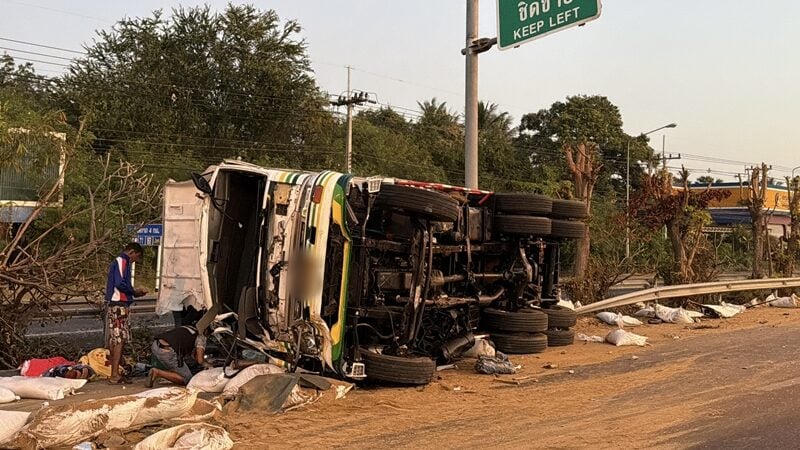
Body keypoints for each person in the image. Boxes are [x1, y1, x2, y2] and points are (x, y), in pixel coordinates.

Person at [105, 242, 148, 384]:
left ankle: (115, 372)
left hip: (117, 304)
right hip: (119, 305)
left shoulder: (120, 262)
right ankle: (115, 374)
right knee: (119, 339)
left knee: (116, 338)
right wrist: (134, 292)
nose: (136, 260)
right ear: (132, 252)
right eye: (137, 256)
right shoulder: (122, 261)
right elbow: (120, 284)